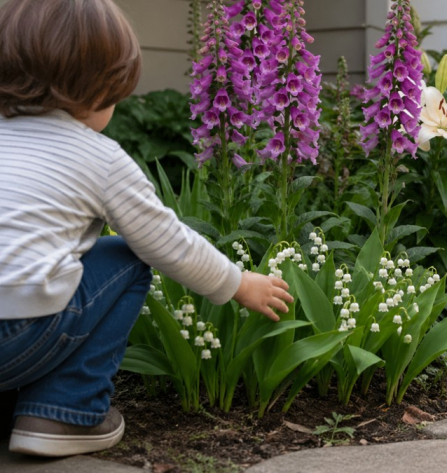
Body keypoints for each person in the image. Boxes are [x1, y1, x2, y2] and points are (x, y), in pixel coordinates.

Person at [0, 0, 294, 457]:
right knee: (126, 257)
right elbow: (166, 242)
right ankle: (63, 412)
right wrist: (237, 283)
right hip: (19, 335)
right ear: (98, 89)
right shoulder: (99, 157)